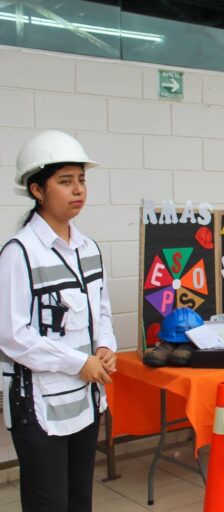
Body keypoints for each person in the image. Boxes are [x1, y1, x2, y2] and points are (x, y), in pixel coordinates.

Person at [0, 130, 118, 511]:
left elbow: (101, 307)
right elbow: (11, 335)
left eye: (81, 180)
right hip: (39, 407)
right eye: (65, 182)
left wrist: (105, 346)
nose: (78, 190)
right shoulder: (18, 254)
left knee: (79, 499)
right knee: (48, 503)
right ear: (37, 190)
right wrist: (77, 362)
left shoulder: (88, 248)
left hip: (84, 399)